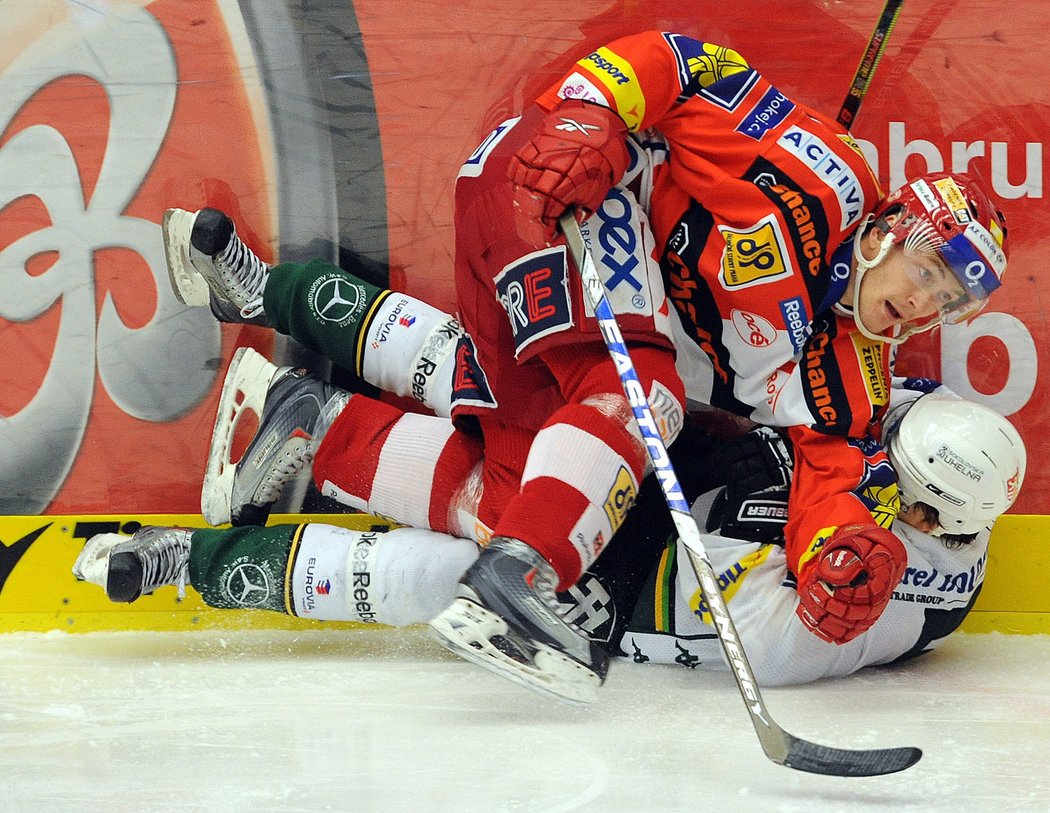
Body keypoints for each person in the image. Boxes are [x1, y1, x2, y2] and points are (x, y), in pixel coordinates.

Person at [160, 30, 1010, 700]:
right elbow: (685, 62)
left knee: (514, 471)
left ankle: (316, 414)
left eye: (951, 299)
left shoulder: (850, 380)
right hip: (559, 184)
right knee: (638, 396)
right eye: (928, 268)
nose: (926, 302)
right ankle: (522, 576)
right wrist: (589, 110)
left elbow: (831, 476)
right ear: (888, 231)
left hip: (581, 298)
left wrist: (840, 547)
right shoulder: (815, 178)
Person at [72, 388, 1026, 693]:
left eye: (905, 486)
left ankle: (185, 560)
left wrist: (604, 564)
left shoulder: (884, 601)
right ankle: (318, 412)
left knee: (430, 570)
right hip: (662, 510)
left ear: (940, 521)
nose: (881, 469)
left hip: (635, 589)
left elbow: (741, 638)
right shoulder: (898, 471)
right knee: (508, 454)